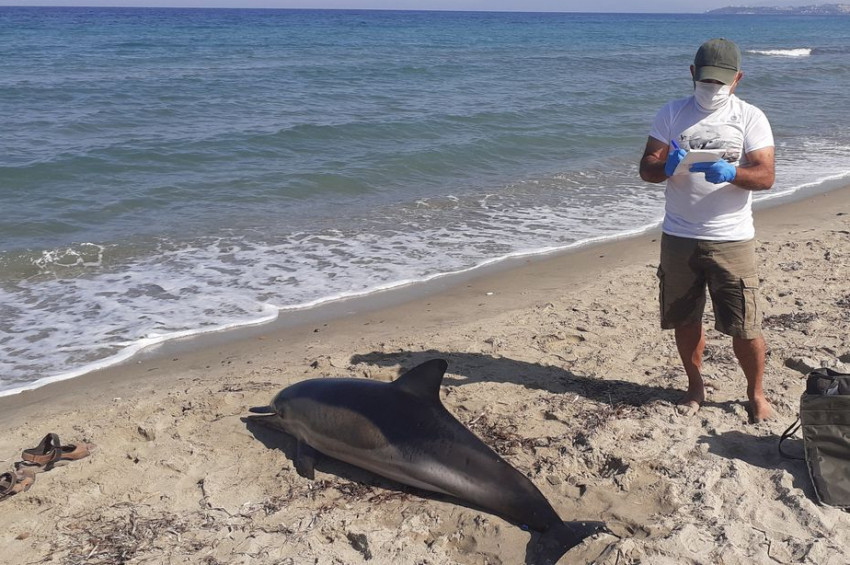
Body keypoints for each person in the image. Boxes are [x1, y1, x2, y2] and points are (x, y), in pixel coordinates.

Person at [639, 38, 775, 423]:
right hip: (679, 236)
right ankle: (695, 385)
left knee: (745, 325)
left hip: (732, 237)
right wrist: (664, 167)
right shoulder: (671, 114)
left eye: (720, 82)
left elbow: (765, 176)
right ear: (692, 74)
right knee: (685, 317)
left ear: (737, 80)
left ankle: (756, 394)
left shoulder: (751, 117)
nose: (711, 88)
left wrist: (734, 173)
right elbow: (647, 167)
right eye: (705, 80)